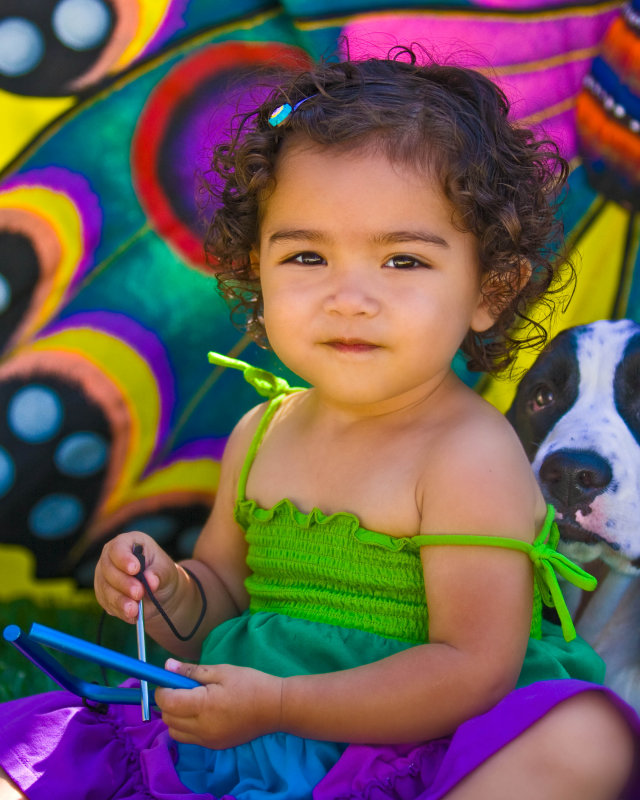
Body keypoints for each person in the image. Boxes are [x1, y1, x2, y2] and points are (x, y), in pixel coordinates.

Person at [0, 48, 638, 800]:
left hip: (412, 754)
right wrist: (168, 591)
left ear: (491, 292)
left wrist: (281, 703)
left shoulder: (470, 455)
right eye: (306, 255)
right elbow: (220, 606)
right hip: (253, 744)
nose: (348, 297)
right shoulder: (263, 432)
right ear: (254, 272)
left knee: (585, 738)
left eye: (402, 261)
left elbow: (474, 668)